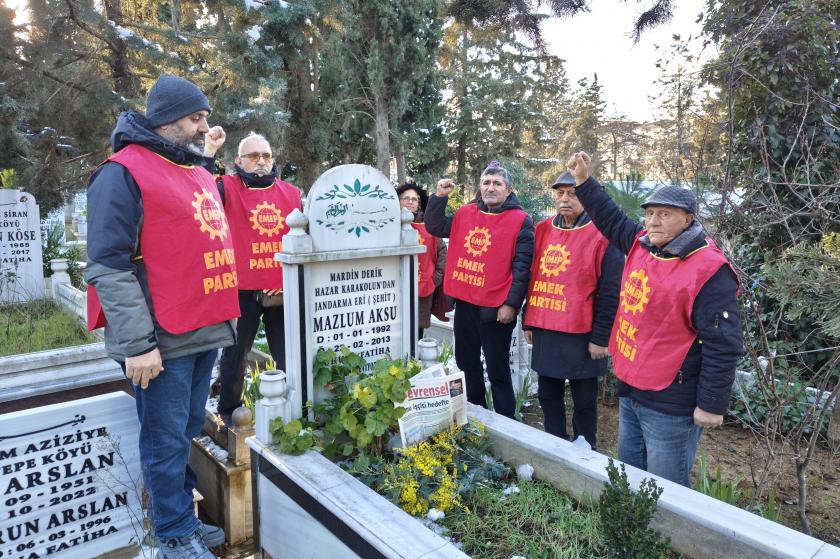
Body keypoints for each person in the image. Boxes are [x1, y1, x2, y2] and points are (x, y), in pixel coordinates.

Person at [86, 74, 237, 557]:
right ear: (169, 119)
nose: (203, 127)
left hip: (200, 326)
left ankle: (181, 521)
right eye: (197, 118)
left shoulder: (187, 167)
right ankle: (172, 532)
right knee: (164, 438)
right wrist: (137, 344)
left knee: (186, 429)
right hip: (160, 337)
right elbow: (108, 266)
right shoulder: (122, 173)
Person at [566, 151, 743, 487]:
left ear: (688, 219)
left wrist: (711, 404)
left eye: (665, 214)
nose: (654, 221)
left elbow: (724, 343)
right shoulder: (643, 245)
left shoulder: (708, 270)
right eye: (649, 213)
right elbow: (610, 218)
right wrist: (584, 182)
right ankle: (632, 535)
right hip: (632, 384)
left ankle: (666, 538)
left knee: (666, 486)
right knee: (630, 475)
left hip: (671, 399)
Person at [204, 132, 302, 426]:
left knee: (288, 354)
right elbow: (199, 192)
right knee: (235, 355)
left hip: (282, 288)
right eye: (253, 156)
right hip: (241, 289)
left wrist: (288, 278)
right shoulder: (225, 187)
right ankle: (229, 413)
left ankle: (295, 408)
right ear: (238, 161)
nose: (261, 162)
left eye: (266, 156)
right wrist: (209, 151)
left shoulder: (292, 193)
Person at [424, 161, 534, 418]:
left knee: (497, 370)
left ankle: (506, 421)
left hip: (496, 308)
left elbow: (522, 269)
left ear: (509, 190)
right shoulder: (466, 213)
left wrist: (511, 305)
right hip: (466, 303)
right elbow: (435, 226)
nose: (490, 188)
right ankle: (476, 412)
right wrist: (439, 197)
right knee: (466, 363)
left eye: (497, 183)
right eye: (486, 182)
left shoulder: (520, 221)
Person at [522, 171, 622, 449]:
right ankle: (554, 444)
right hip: (546, 326)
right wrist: (527, 321)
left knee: (584, 400)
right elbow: (534, 277)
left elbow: (611, 291)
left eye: (573, 193)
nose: (565, 199)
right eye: (560, 193)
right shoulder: (542, 229)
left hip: (584, 333)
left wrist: (601, 337)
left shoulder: (604, 234)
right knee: (548, 394)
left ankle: (585, 448)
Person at [396, 183, 447, 340]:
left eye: (414, 199)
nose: (410, 202)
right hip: (395, 289)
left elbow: (443, 253)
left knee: (416, 335)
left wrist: (435, 279)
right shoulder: (388, 226)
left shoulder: (429, 227)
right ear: (397, 201)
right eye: (406, 198)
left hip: (422, 289)